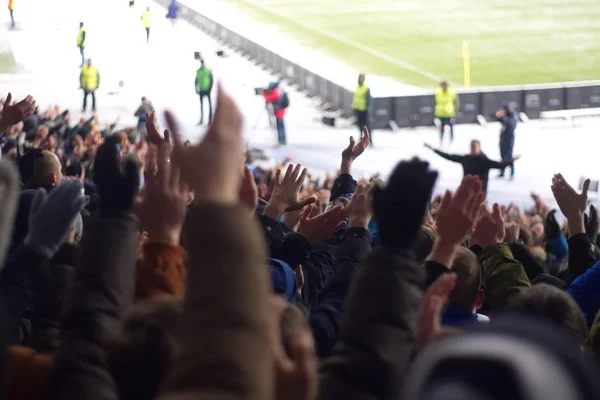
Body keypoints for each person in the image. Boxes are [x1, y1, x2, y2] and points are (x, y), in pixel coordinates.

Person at [424, 140, 519, 196]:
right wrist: (433, 149)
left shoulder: (484, 161)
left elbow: (500, 165)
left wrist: (511, 160)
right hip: (466, 190)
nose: (473, 150)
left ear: (479, 148)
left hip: (480, 192)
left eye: (475, 148)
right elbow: (449, 156)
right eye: (472, 148)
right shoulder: (466, 159)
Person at [496, 104, 518, 180]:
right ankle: (502, 171)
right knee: (502, 156)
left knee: (508, 156)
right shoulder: (505, 116)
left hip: (509, 139)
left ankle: (512, 173)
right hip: (503, 138)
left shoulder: (512, 116)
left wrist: (502, 117)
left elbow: (510, 124)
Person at [262, 82, 287, 146]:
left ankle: (281, 140)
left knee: (279, 126)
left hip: (278, 111)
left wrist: (265, 93)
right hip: (277, 111)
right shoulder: (280, 91)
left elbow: (272, 98)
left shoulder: (276, 92)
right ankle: (281, 140)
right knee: (279, 126)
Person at [435, 80, 459, 145]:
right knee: (441, 128)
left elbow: (455, 101)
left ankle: (451, 140)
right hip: (441, 113)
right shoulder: (438, 92)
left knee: (451, 127)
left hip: (449, 113)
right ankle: (441, 139)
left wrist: (456, 110)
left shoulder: (451, 92)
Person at [352, 73, 372, 146]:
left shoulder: (366, 88)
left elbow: (368, 100)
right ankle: (361, 138)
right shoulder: (357, 88)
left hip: (364, 110)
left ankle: (370, 140)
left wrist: (368, 109)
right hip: (358, 109)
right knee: (359, 125)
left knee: (366, 126)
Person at [194, 60, 213, 125]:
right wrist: (196, 89)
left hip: (207, 89)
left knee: (210, 105)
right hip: (201, 89)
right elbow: (196, 80)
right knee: (201, 105)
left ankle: (210, 119)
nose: (202, 64)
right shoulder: (198, 71)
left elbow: (211, 79)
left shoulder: (208, 70)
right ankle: (201, 119)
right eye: (201, 63)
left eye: (203, 63)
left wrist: (210, 88)